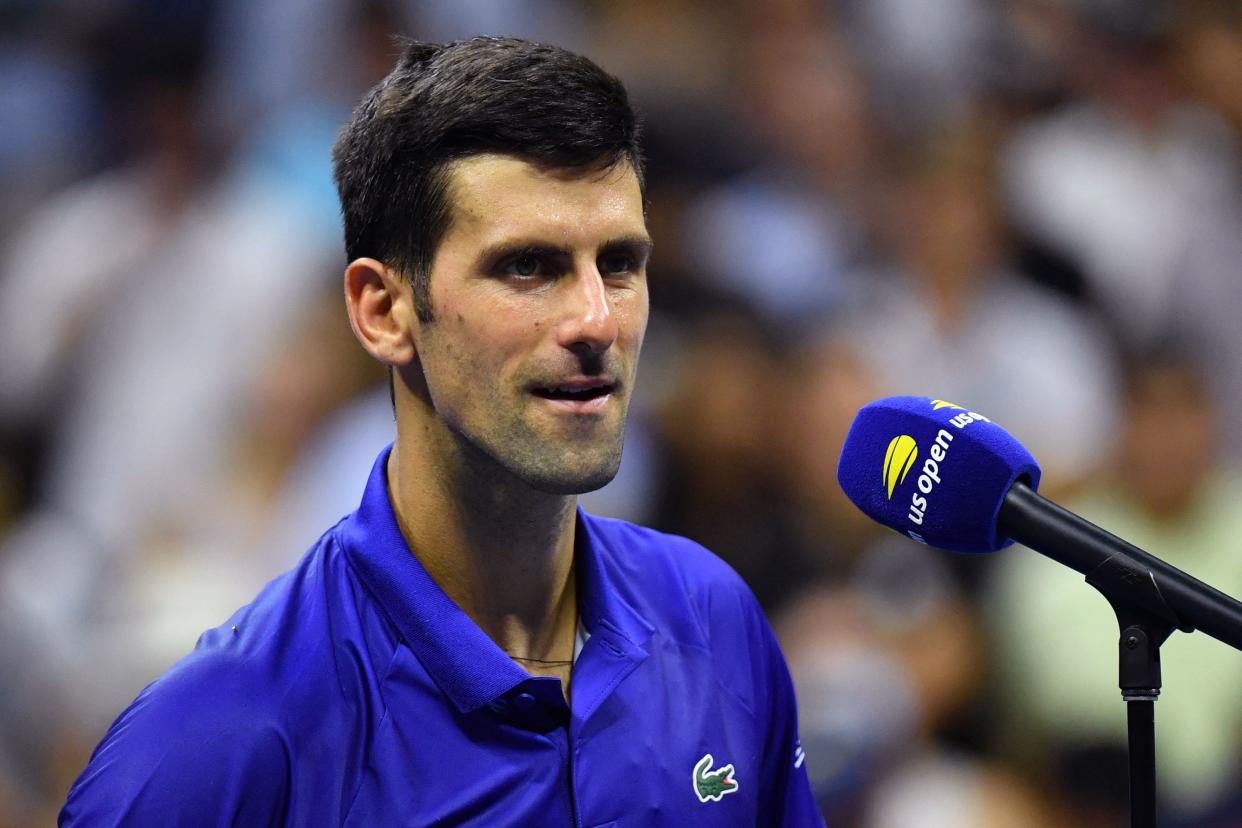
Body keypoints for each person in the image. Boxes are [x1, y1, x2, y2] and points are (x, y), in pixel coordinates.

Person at [60, 37, 823, 826]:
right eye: (529, 266)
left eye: (620, 263)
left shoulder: (713, 621)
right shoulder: (218, 744)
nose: (597, 319)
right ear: (383, 311)